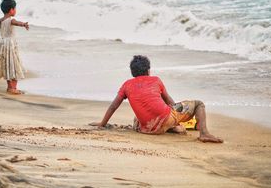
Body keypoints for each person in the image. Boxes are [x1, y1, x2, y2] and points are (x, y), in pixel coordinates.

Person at [90, 55, 223, 143]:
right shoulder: (156, 80)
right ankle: (203, 133)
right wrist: (178, 118)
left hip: (146, 129)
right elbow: (170, 102)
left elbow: (113, 106)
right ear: (148, 70)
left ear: (132, 72)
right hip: (165, 118)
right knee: (199, 104)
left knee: (137, 118)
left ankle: (172, 128)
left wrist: (102, 124)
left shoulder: (127, 85)